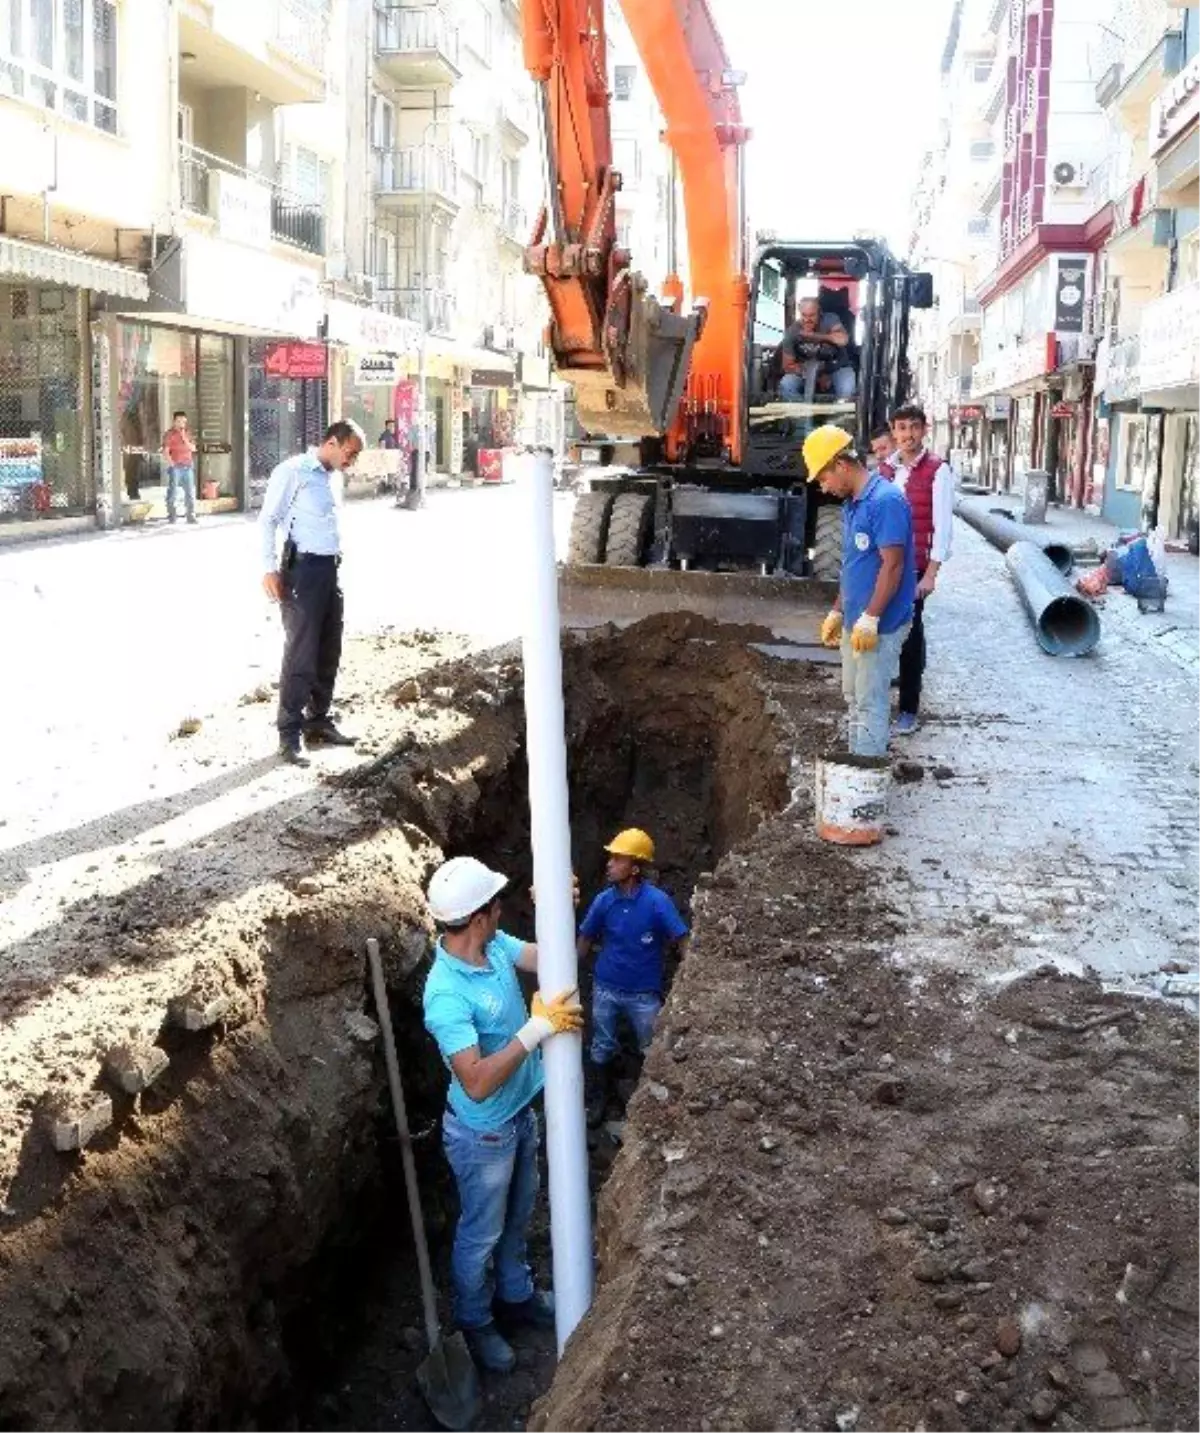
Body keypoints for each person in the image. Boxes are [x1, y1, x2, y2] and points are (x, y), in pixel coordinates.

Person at [422, 856, 582, 1374]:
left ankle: (515, 1295)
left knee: (517, 1219)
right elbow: (476, 1079)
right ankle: (475, 1321)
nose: (501, 909)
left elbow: (557, 959)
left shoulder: (493, 948)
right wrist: (536, 1031)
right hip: (481, 1134)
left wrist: (561, 913)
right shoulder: (445, 993)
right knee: (481, 1234)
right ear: (477, 917)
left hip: (519, 1116)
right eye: (495, 904)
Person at [805, 425, 916, 758]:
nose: (823, 487)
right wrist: (839, 609)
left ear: (841, 465)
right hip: (858, 618)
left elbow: (892, 566)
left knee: (869, 700)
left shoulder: (886, 501)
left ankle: (866, 778)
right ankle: (857, 761)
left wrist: (871, 617)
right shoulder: (853, 504)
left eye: (823, 478)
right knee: (853, 695)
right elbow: (854, 565)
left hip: (879, 623)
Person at [258, 419, 364, 766]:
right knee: (301, 653)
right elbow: (267, 520)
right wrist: (268, 568)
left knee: (328, 648)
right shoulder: (293, 472)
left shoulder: (331, 479)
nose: (352, 462)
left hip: (329, 571)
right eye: (350, 453)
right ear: (332, 442)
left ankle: (317, 720)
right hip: (301, 572)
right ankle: (289, 734)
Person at [577, 829, 689, 1128]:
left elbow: (682, 938)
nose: (609, 864)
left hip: (643, 994)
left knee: (650, 1048)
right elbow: (585, 938)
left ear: (635, 868)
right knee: (601, 1045)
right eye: (610, 858)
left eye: (617, 859)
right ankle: (600, 1098)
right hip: (606, 988)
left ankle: (643, 1106)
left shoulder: (657, 902)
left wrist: (688, 979)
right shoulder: (604, 901)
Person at [881, 403, 955, 736]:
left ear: (924, 430)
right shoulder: (885, 470)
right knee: (882, 635)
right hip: (885, 568)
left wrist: (931, 574)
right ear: (893, 431)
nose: (907, 435)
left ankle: (909, 709)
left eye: (913, 427)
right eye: (901, 428)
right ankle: (878, 704)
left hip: (915, 570)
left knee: (910, 637)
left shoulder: (937, 471)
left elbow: (942, 527)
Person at [779, 297, 856, 407]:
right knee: (787, 384)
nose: (807, 320)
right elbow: (787, 366)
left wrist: (815, 336)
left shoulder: (830, 319)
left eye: (811, 315)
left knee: (848, 387)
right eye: (804, 315)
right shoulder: (792, 332)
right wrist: (816, 376)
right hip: (806, 371)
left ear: (819, 313)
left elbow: (843, 340)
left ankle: (838, 421)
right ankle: (801, 420)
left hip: (837, 368)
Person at [162, 411, 197, 525]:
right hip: (176, 466)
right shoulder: (169, 434)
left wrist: (184, 438)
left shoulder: (188, 433)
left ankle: (190, 516)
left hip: (188, 466)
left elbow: (193, 448)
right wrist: (172, 464)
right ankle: (172, 516)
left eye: (184, 421)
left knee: (190, 493)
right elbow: (166, 451)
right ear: (174, 421)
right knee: (172, 492)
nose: (181, 423)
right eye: (179, 421)